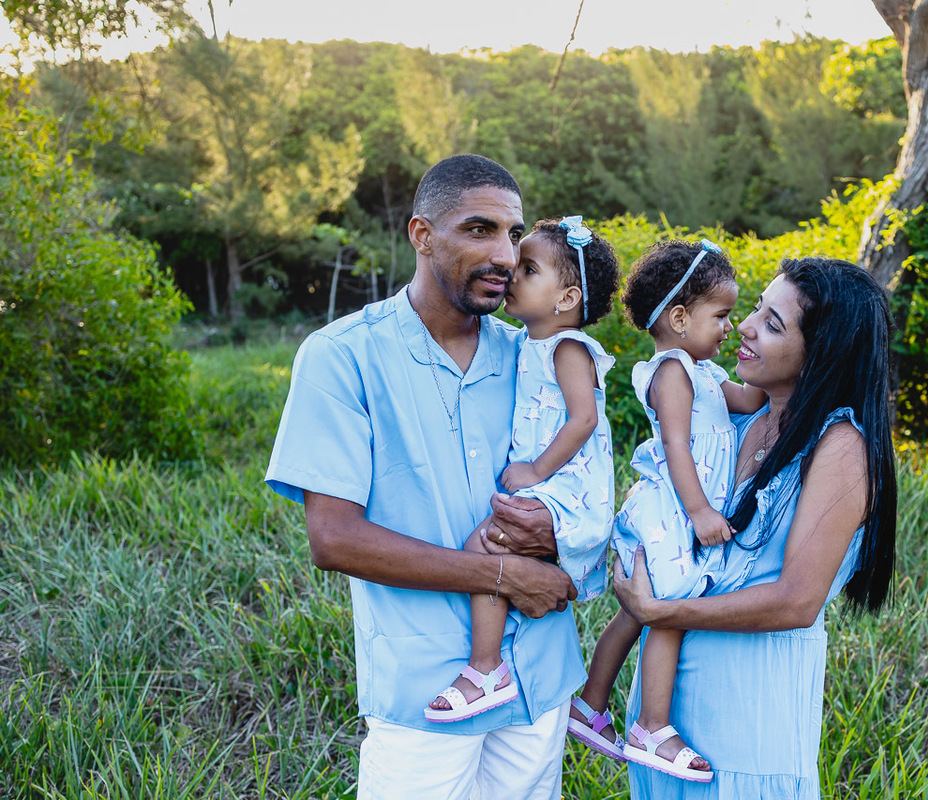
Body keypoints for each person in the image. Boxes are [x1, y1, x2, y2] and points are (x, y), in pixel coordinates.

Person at [265, 154, 586, 800]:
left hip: (537, 679)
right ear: (421, 235)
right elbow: (335, 539)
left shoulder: (537, 359)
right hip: (424, 695)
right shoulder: (340, 358)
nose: (504, 253)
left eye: (514, 233)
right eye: (479, 230)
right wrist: (503, 574)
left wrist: (560, 543)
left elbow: (582, 492)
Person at [611, 256, 897, 799]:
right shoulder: (738, 418)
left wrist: (660, 611)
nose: (744, 325)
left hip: (748, 728)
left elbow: (796, 601)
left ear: (822, 349)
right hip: (668, 725)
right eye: (757, 309)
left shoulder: (840, 446)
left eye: (772, 323)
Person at [566, 240, 765, 782]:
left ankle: (589, 706)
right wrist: (700, 511)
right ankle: (652, 727)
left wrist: (792, 370)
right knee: (670, 612)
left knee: (637, 611)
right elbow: (677, 445)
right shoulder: (672, 371)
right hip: (670, 510)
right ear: (679, 318)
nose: (732, 326)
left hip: (675, 513)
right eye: (721, 315)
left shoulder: (702, 372)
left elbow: (749, 400)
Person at [426, 215, 620, 723]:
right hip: (552, 482)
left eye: (528, 269)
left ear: (567, 299)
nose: (511, 272)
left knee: (483, 546)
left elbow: (584, 419)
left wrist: (536, 468)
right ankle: (495, 659)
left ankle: (486, 669)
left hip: (566, 485)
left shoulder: (568, 348)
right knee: (495, 548)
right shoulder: (529, 343)